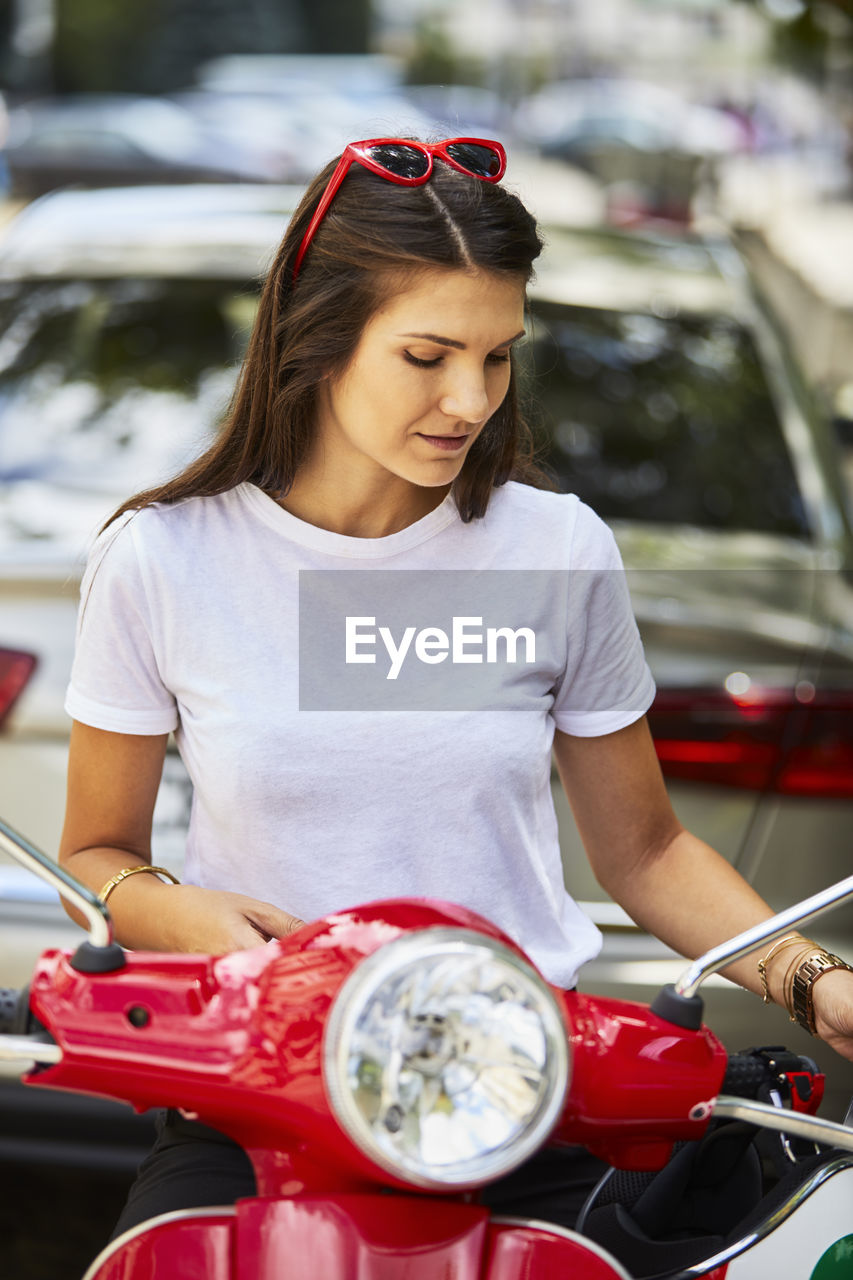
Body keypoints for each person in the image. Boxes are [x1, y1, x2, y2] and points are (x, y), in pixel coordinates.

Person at [58, 137, 853, 1240]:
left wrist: (812, 976)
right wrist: (187, 917)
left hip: (526, 1095)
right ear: (317, 335)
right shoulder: (162, 558)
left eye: (498, 356)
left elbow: (648, 852)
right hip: (257, 1099)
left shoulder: (557, 549)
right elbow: (97, 853)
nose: (469, 399)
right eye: (427, 354)